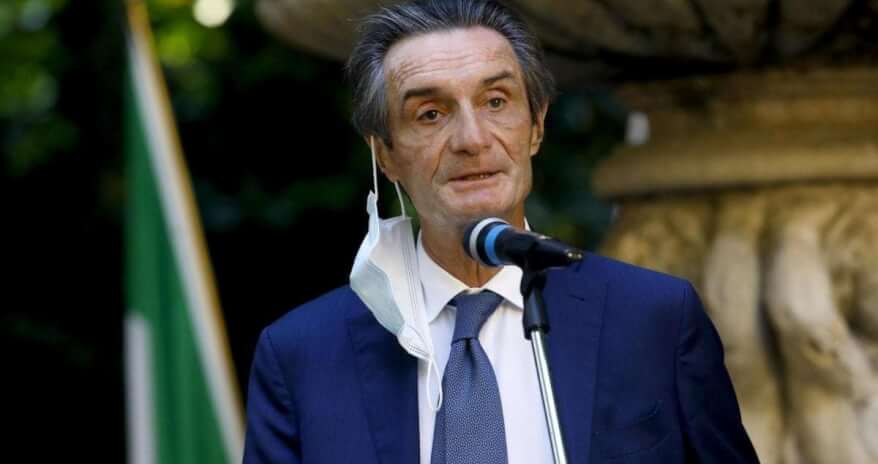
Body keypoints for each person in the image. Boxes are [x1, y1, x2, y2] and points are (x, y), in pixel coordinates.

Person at [242, 0, 759, 463]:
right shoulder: (301, 355)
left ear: (536, 125)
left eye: (495, 102)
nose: (471, 139)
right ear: (385, 154)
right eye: (430, 113)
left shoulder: (654, 319)